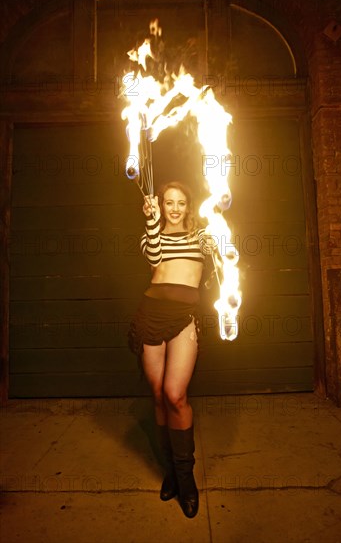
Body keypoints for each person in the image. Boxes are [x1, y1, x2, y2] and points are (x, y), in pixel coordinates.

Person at [128, 180, 213, 519]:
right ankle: (170, 473)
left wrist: (219, 236)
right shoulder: (152, 236)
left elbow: (222, 254)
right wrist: (149, 221)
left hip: (183, 318)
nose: (174, 208)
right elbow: (154, 258)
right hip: (151, 315)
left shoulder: (200, 236)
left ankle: (186, 477)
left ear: (188, 206)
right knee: (159, 394)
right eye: (168, 202)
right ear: (160, 206)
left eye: (180, 202)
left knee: (175, 394)